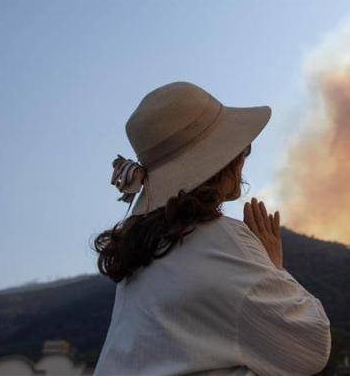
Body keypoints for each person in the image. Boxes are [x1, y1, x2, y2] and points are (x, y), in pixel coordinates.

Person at [93, 81, 330, 376]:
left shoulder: (139, 258)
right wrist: (273, 267)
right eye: (243, 149)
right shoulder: (223, 240)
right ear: (223, 161)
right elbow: (310, 347)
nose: (244, 157)